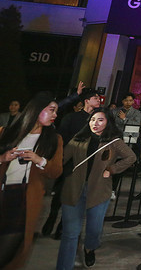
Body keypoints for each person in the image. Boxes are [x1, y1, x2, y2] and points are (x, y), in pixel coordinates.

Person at [56, 108, 136, 269]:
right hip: (73, 189)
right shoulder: (78, 139)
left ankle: (89, 248)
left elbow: (131, 157)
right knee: (70, 234)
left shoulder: (114, 142)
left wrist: (112, 169)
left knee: (94, 229)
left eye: (100, 120)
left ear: (108, 122)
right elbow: (62, 159)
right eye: (93, 119)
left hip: (99, 191)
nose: (95, 123)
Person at [0, 93, 62, 270]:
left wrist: (39, 160)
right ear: (36, 110)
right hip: (3, 192)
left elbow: (56, 171)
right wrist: (3, 158)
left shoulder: (54, 139)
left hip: (24, 199)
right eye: (51, 110)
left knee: (10, 250)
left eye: (56, 111)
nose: (55, 115)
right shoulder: (6, 132)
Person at [43, 87, 101, 238]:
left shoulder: (99, 121)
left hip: (86, 163)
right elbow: (61, 139)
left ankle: (62, 227)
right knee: (60, 194)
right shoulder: (72, 118)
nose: (99, 100)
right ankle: (51, 218)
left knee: (75, 197)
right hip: (68, 161)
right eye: (95, 98)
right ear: (87, 101)